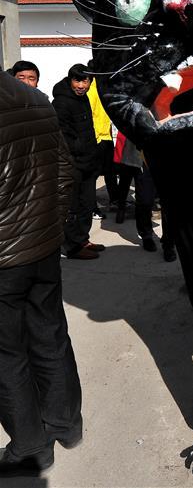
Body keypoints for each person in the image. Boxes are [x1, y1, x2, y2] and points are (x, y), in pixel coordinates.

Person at [0, 71, 83, 474]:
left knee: (8, 355)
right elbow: (65, 172)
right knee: (50, 337)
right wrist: (52, 225)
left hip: (6, 258)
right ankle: (66, 425)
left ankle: (31, 446)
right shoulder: (33, 97)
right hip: (43, 247)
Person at [52, 65, 104, 260]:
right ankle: (72, 247)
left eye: (85, 81)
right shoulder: (62, 102)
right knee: (74, 207)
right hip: (74, 164)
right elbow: (64, 136)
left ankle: (82, 239)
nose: (81, 85)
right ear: (70, 80)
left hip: (88, 161)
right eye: (77, 81)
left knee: (88, 204)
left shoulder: (83, 99)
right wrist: (82, 148)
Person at [87, 76, 113, 220]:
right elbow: (89, 115)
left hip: (105, 136)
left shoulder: (103, 88)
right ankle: (91, 208)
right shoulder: (93, 90)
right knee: (92, 177)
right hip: (98, 139)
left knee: (109, 171)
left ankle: (114, 199)